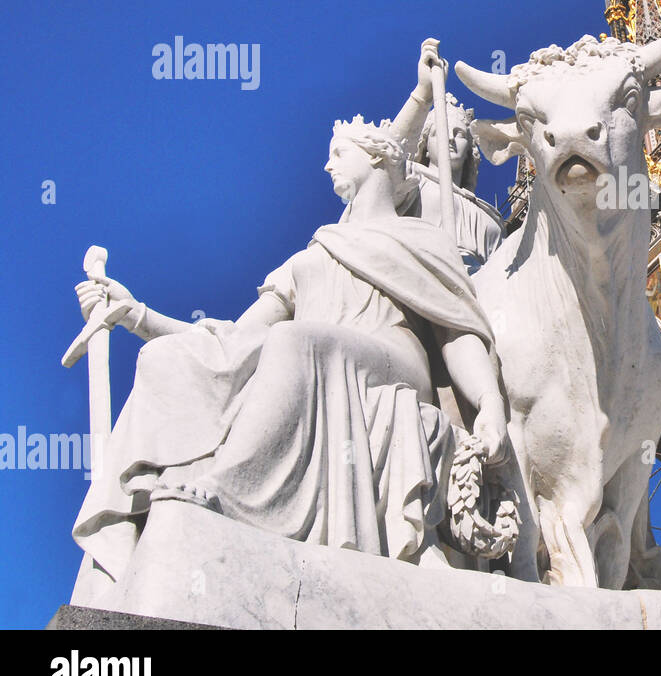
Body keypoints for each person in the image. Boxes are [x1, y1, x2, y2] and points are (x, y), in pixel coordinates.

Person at [70, 114, 509, 604]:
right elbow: (236, 339)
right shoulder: (317, 249)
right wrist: (139, 316)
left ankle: (229, 487)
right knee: (167, 358)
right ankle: (125, 548)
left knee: (297, 341)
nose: (326, 165)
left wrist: (488, 403)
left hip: (390, 362)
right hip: (307, 355)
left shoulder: (424, 240)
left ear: (378, 157)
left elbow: (457, 332)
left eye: (338, 153)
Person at [390, 39, 503, 273]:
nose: (449, 139)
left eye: (460, 134)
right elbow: (386, 156)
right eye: (439, 134)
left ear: (471, 151)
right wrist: (424, 93)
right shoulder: (412, 183)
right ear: (425, 144)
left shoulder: (490, 216)